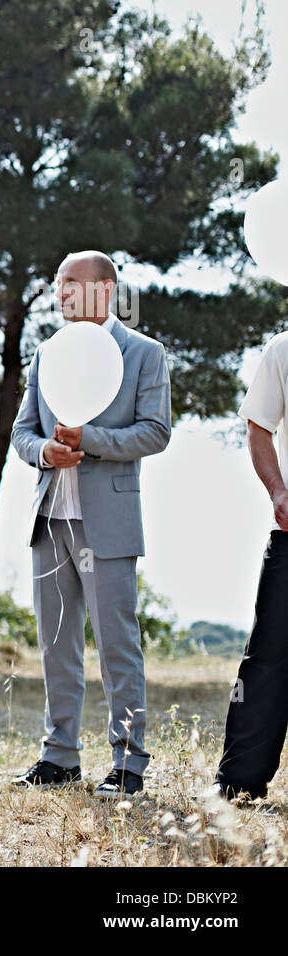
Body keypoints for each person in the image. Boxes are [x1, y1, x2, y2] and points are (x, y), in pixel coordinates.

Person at [10, 250, 170, 799]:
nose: (60, 294)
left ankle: (129, 763)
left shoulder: (144, 354)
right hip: (50, 516)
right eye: (57, 284)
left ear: (105, 289)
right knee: (56, 643)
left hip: (110, 521)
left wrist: (90, 442)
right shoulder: (45, 354)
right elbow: (22, 433)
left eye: (71, 283)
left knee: (117, 643)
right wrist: (45, 454)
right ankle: (59, 757)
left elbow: (155, 432)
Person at [209, 331, 288, 803]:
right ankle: (238, 781)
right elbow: (259, 427)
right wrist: (278, 492)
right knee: (268, 658)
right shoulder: (284, 347)